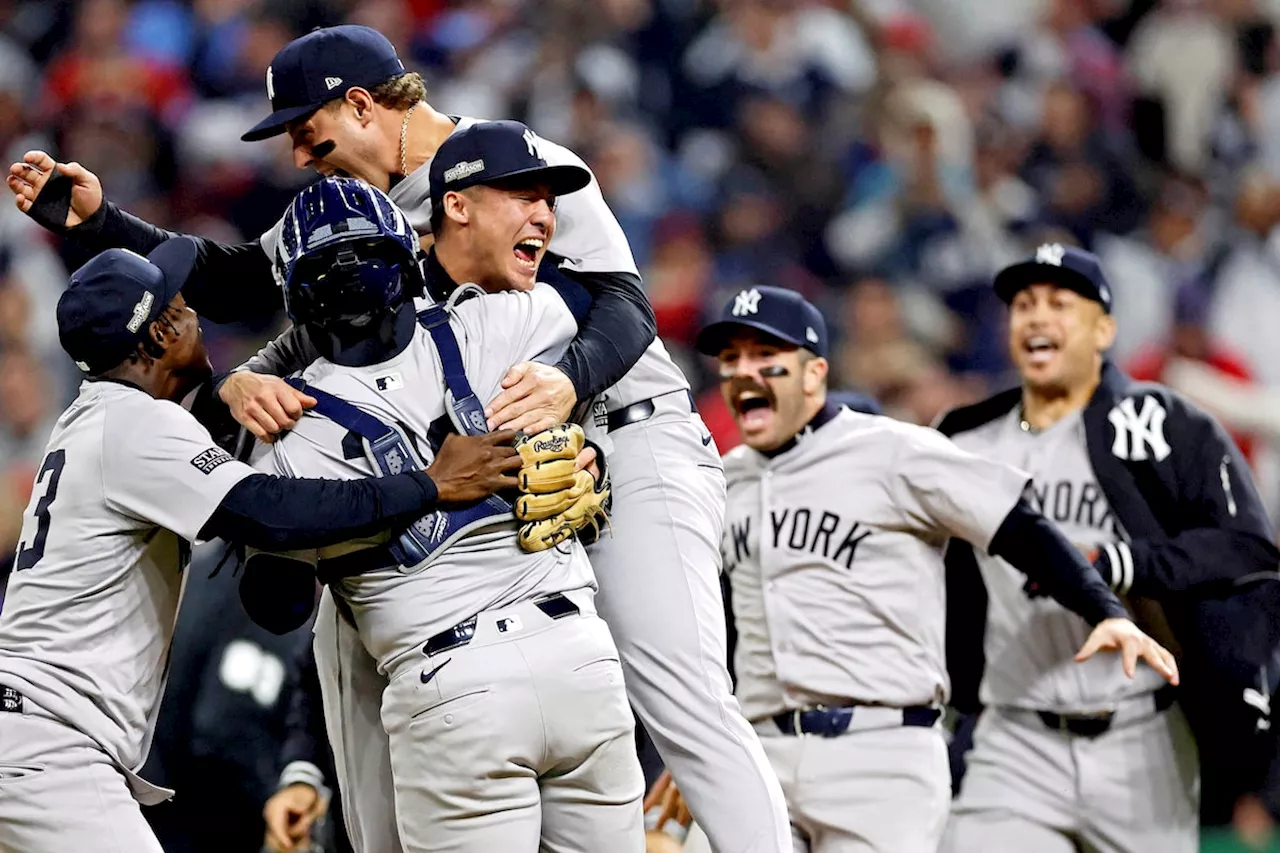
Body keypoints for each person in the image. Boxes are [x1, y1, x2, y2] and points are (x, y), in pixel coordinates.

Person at [9, 25, 790, 853]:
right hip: (471, 470)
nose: (302, 156)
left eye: (308, 134)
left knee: (677, 691)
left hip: (620, 435)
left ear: (360, 105)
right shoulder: (350, 214)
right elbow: (236, 278)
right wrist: (104, 225)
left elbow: (621, 303)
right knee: (356, 641)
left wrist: (569, 383)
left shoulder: (510, 165)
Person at [0, 237, 523, 853]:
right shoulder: (136, 425)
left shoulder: (99, 416)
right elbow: (271, 513)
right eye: (179, 304)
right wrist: (429, 484)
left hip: (32, 733)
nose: (195, 312)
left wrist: (233, 385)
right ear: (162, 333)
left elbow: (217, 423)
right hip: (48, 746)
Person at [683, 284, 1178, 853]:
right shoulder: (722, 477)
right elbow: (717, 621)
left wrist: (1103, 609)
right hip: (760, 751)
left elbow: (1016, 522)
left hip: (880, 753)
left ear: (814, 371)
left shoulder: (892, 451)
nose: (745, 371)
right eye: (731, 358)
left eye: (766, 357)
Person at [252, 145, 644, 851]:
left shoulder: (289, 432)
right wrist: (576, 404)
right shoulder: (499, 323)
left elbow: (274, 601)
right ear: (406, 257)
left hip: (450, 683)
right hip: (578, 652)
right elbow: (615, 297)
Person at [937, 244, 1280, 852]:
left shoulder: (1168, 427)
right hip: (1013, 741)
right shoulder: (965, 439)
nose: (1038, 318)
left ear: (1105, 329)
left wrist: (1127, 564)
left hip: (1139, 737)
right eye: (1023, 304)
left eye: (1060, 304)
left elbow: (1248, 548)